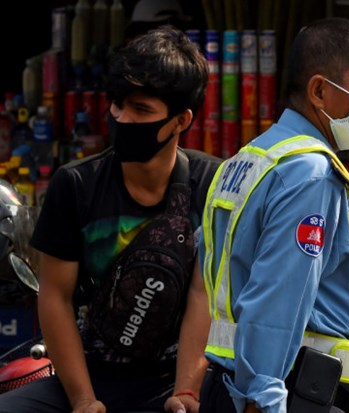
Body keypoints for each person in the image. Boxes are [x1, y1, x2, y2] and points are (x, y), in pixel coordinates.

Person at [191, 17, 349, 413]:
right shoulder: (311, 174)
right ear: (319, 91)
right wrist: (264, 397)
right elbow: (276, 295)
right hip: (291, 393)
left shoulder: (251, 158)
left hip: (234, 385)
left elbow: (250, 271)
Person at [0, 26, 221, 413]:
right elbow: (55, 295)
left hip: (174, 378)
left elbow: (202, 295)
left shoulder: (212, 184)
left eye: (141, 109)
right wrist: (83, 399)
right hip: (90, 376)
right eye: (117, 104)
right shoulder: (75, 184)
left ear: (181, 121)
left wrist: (186, 392)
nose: (121, 117)